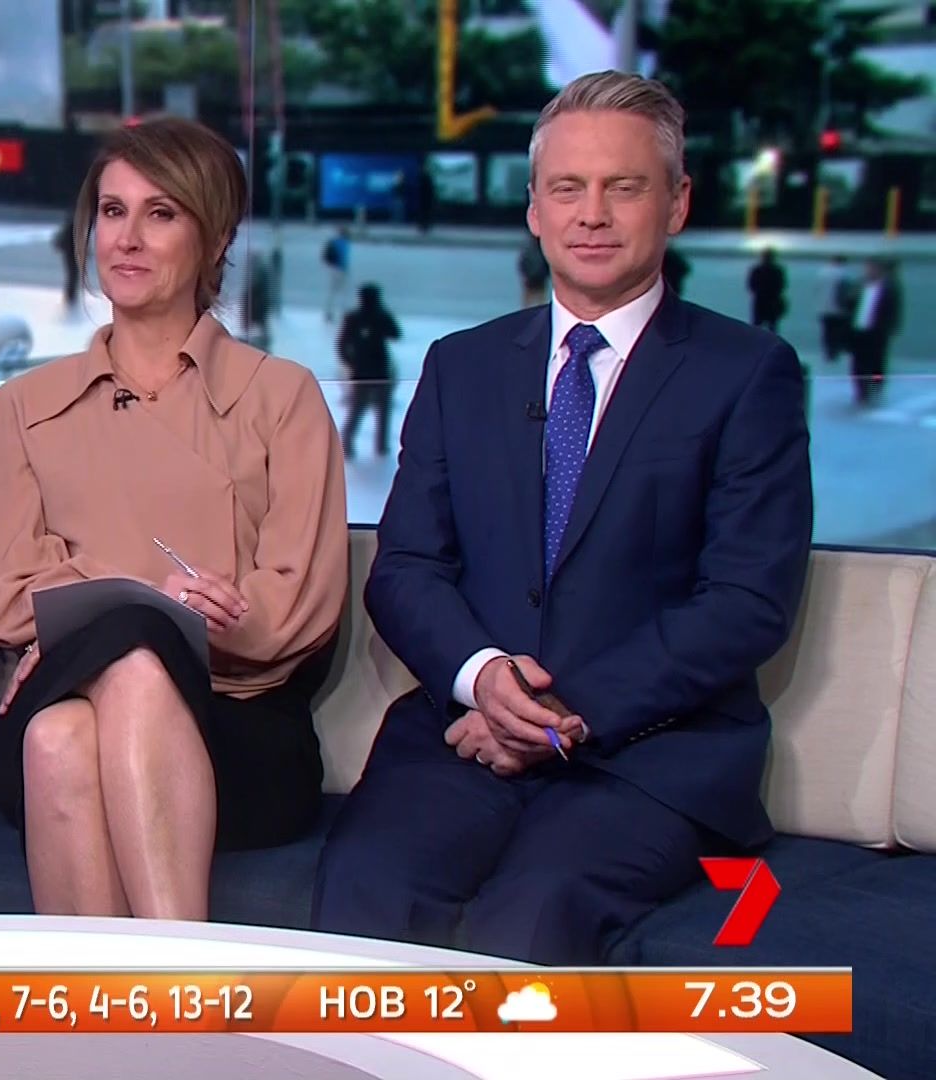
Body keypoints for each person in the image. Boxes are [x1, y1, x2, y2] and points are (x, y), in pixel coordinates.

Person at [313, 72, 812, 965]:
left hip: (648, 755)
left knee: (532, 922)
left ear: (677, 203)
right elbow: (408, 568)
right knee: (364, 893)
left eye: (624, 187)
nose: (593, 214)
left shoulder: (746, 374)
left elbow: (746, 602)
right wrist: (483, 679)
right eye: (568, 188)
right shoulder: (461, 367)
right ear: (535, 210)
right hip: (466, 734)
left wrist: (560, 712)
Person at [0, 117, 348, 920]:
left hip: (236, 724)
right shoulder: (24, 409)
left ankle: (120, 999)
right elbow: (0, 601)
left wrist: (101, 600)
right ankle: (184, 987)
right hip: (54, 696)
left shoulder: (282, 397)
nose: (127, 238)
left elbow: (296, 604)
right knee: (117, 666)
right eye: (112, 211)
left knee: (69, 733)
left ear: (216, 238)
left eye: (161, 213)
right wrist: (155, 604)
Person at [337, 282, 401, 460]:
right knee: (382, 411)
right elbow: (396, 334)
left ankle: (347, 444)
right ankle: (381, 446)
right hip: (380, 370)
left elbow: (342, 345)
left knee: (358, 409)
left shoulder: (353, 318)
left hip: (362, 371)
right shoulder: (381, 316)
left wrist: (351, 362)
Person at [849, 256, 902, 406]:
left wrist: (891, 327)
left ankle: (874, 388)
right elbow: (848, 304)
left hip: (877, 332)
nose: (869, 271)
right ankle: (861, 391)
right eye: (867, 268)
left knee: (876, 364)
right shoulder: (859, 285)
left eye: (873, 268)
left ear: (880, 270)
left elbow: (894, 310)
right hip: (859, 330)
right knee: (858, 362)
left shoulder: (889, 288)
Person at [817, 254, 856, 364]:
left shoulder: (822, 272)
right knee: (838, 332)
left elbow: (818, 290)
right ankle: (836, 351)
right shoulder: (845, 274)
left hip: (824, 308)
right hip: (839, 309)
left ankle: (828, 352)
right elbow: (848, 292)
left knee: (827, 332)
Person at [747, 248, 786, 335]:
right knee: (771, 327)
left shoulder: (757, 270)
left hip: (762, 301)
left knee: (758, 327)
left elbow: (751, 286)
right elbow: (781, 286)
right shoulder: (776, 271)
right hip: (770, 302)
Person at [321, 226, 350, 322]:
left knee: (332, 291)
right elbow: (344, 257)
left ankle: (328, 312)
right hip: (340, 269)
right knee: (343, 292)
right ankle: (343, 312)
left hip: (332, 269)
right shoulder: (344, 243)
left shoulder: (334, 242)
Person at [517, 233, 550, 308]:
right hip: (534, 278)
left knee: (537, 300)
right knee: (534, 300)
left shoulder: (539, 250)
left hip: (538, 278)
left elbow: (522, 263)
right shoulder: (531, 250)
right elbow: (523, 263)